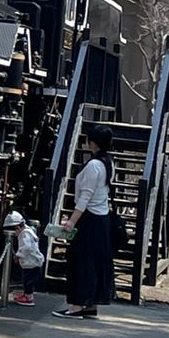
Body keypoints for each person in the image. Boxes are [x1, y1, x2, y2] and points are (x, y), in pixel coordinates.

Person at [54, 125, 116, 319]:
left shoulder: (93, 165)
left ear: (94, 142)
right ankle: (90, 303)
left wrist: (71, 221)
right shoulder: (108, 162)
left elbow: (85, 197)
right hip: (102, 218)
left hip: (89, 218)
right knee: (95, 262)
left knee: (81, 262)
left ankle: (77, 305)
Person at [4, 209, 44, 305]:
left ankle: (28, 297)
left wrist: (18, 255)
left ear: (17, 227)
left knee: (27, 281)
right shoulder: (29, 230)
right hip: (33, 261)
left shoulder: (24, 234)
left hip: (30, 262)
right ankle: (27, 295)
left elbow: (26, 246)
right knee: (28, 280)